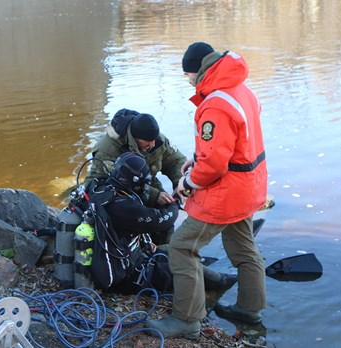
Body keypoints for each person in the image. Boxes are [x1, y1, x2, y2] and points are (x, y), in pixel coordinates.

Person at [145, 42, 268, 339]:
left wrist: (187, 183)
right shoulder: (241, 90)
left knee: (183, 247)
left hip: (226, 193)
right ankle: (250, 310)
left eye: (188, 74)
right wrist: (198, 158)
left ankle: (187, 319)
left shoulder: (215, 102)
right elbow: (233, 144)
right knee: (244, 248)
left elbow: (214, 165)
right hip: (250, 187)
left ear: (199, 70)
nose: (188, 80)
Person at [88, 152, 237, 295]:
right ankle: (223, 281)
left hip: (120, 258)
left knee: (172, 250)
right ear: (134, 181)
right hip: (127, 276)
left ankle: (208, 267)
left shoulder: (100, 189)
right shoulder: (121, 206)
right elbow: (162, 220)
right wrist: (175, 203)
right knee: (184, 269)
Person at [86, 108, 186, 214]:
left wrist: (180, 184)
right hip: (109, 190)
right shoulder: (108, 148)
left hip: (146, 183)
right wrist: (154, 195)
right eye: (148, 141)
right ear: (136, 139)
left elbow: (176, 161)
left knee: (167, 210)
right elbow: (115, 182)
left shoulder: (157, 140)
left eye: (154, 139)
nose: (152, 144)